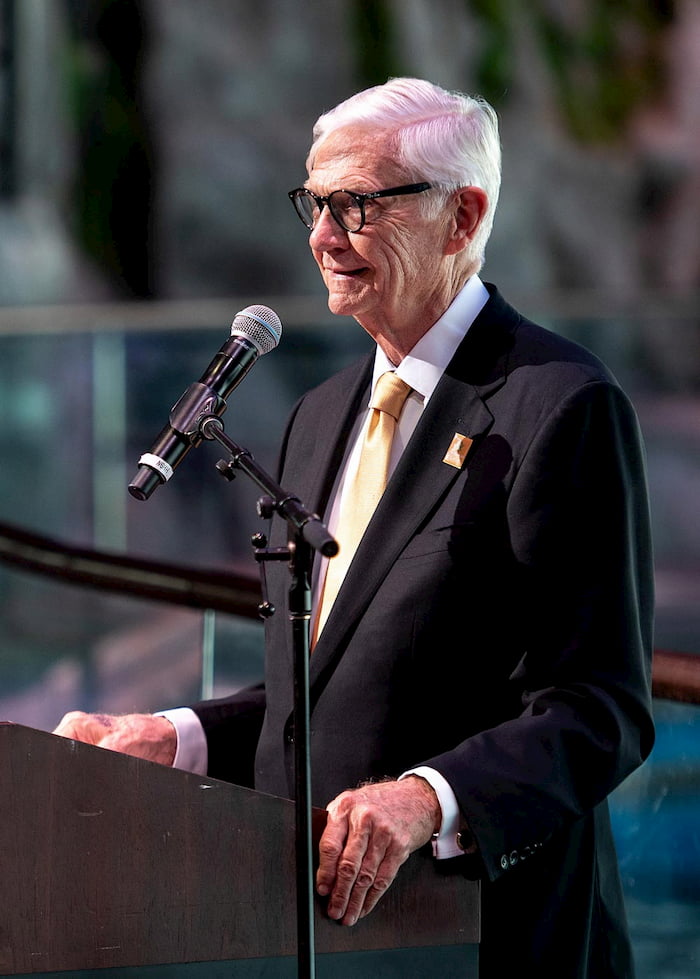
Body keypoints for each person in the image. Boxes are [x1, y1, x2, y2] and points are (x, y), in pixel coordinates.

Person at [54, 77, 655, 977]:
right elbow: (331, 688)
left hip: (489, 937)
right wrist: (175, 735)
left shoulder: (561, 406)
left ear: (463, 216)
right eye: (315, 202)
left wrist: (426, 799)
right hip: (318, 938)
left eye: (357, 205)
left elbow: (599, 707)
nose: (322, 237)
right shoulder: (319, 416)